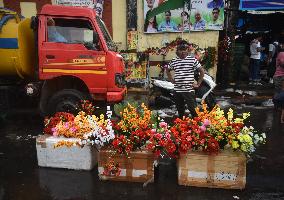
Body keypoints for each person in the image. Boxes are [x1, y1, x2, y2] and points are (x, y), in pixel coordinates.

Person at [166, 41, 205, 119]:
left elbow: (202, 71)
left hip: (188, 90)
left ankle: (197, 126)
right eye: (181, 49)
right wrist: (171, 79)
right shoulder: (174, 60)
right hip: (177, 90)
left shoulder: (192, 60)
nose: (183, 51)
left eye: (185, 49)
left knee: (194, 110)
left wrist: (198, 84)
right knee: (180, 111)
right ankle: (181, 127)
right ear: (177, 51)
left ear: (188, 50)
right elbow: (167, 70)